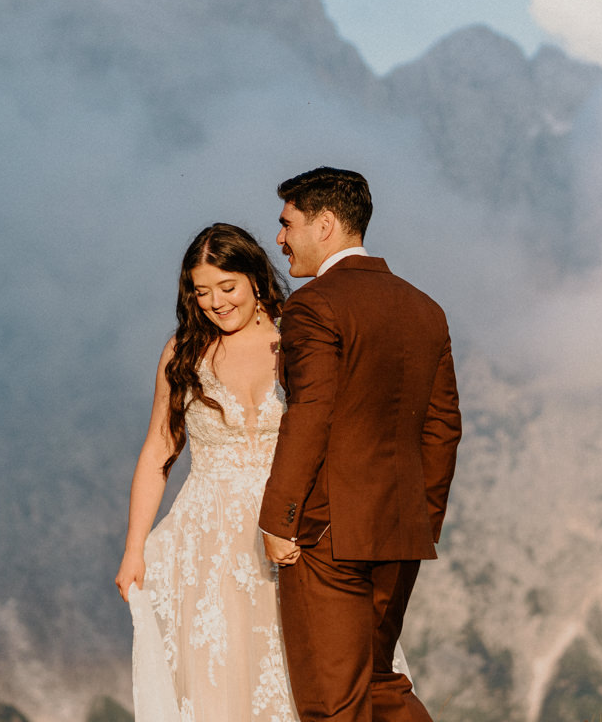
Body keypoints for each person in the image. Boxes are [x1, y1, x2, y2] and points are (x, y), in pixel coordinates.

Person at [259, 167, 461, 722]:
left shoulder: (314, 305)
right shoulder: (426, 309)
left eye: (287, 223)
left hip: (327, 535)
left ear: (324, 225)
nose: (279, 238)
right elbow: (443, 426)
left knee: (332, 704)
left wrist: (279, 519)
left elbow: (312, 414)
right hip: (399, 530)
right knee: (381, 685)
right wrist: (420, 516)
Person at [116, 222, 297, 722]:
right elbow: (158, 449)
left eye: (227, 287)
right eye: (201, 292)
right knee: (217, 687)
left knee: (293, 676)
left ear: (255, 279)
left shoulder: (296, 337)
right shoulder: (184, 351)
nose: (216, 302)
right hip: (206, 547)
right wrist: (134, 549)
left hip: (285, 531)